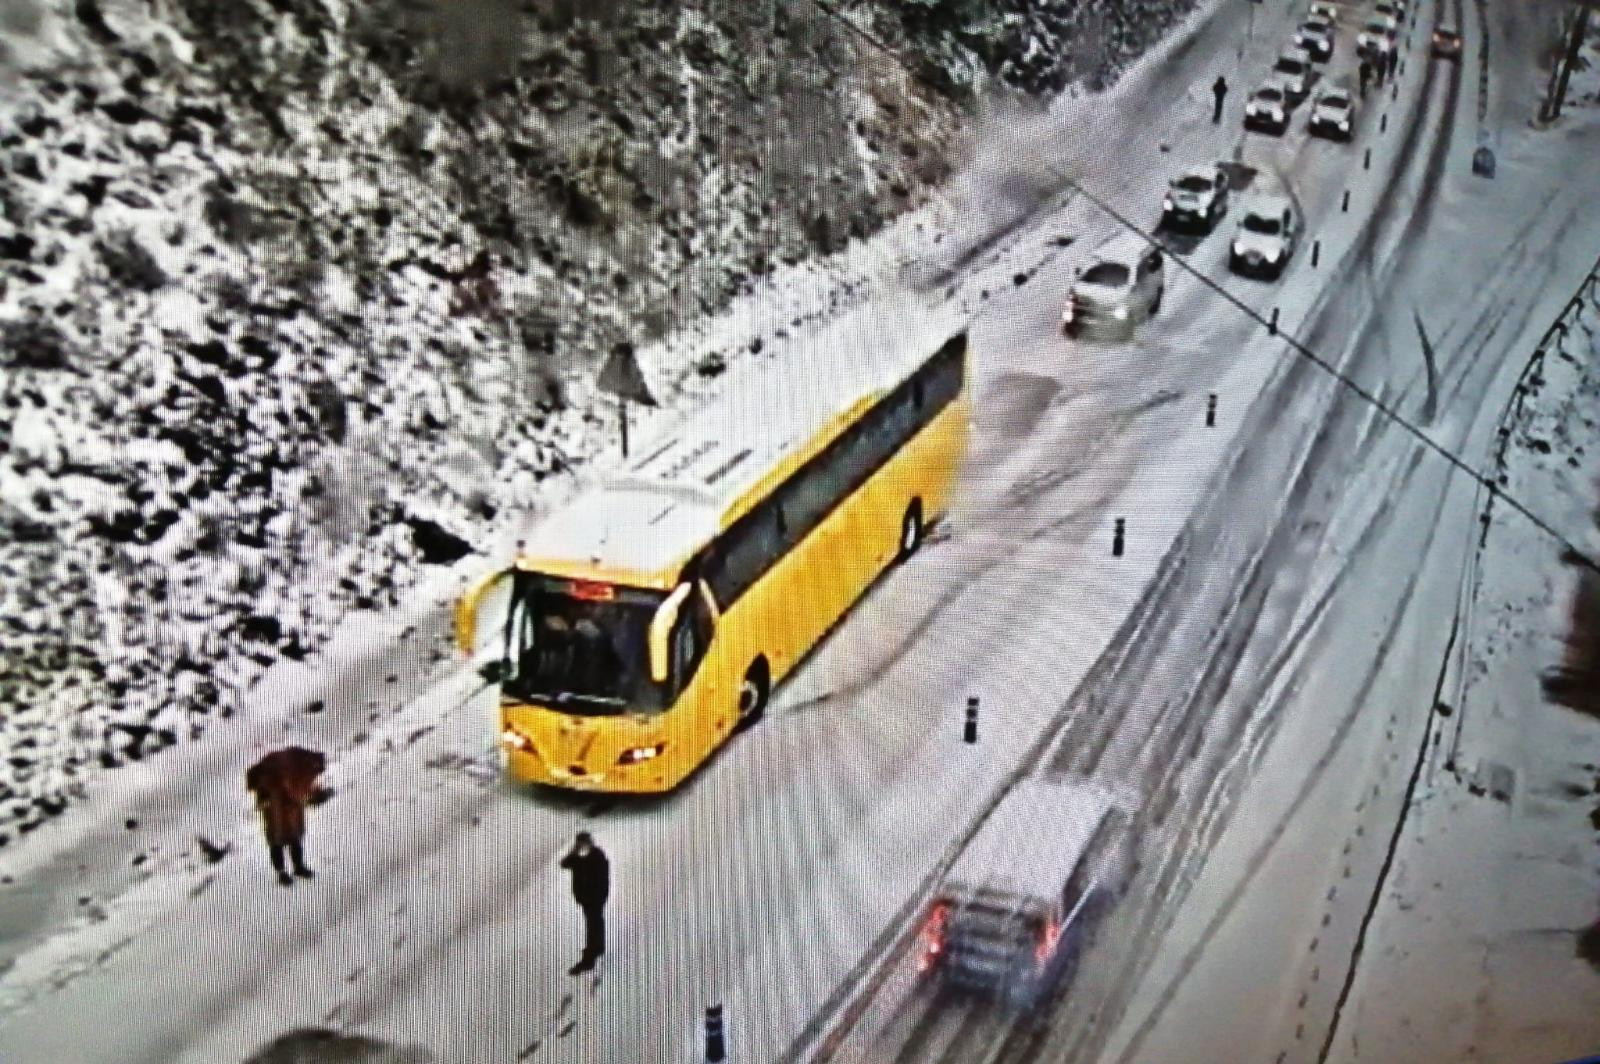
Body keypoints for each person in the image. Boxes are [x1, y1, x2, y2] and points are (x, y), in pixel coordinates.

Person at [245, 747, 324, 887]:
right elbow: (294, 787)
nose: (315, 777)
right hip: (275, 806)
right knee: (277, 839)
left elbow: (300, 788)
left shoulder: (297, 761)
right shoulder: (295, 765)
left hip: (288, 806)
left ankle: (298, 867)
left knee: (294, 836)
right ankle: (282, 873)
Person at [561, 832, 611, 975]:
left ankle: (589, 958)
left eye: (584, 842)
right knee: (594, 923)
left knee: (593, 924)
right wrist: (574, 851)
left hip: (595, 898)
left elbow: (603, 878)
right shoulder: (578, 858)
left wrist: (601, 895)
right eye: (580, 843)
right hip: (584, 899)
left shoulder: (597, 855)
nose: (583, 845)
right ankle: (597, 949)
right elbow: (564, 864)